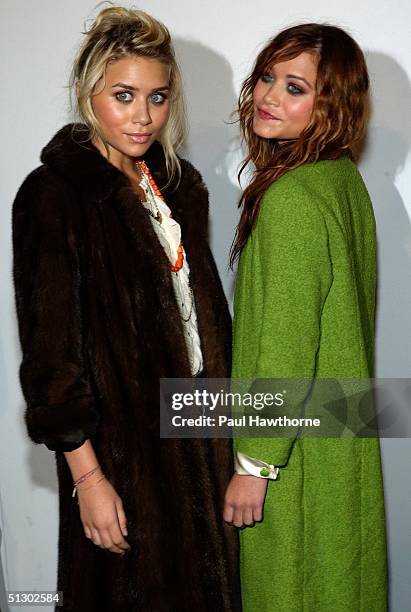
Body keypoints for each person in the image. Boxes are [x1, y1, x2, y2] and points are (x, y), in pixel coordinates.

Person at [12, 7, 240, 611]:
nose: (143, 115)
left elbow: (201, 326)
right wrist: (88, 479)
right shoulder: (54, 195)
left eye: (157, 96)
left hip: (197, 437)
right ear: (90, 94)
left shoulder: (176, 187)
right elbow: (52, 359)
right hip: (121, 455)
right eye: (124, 95)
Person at [223, 23, 387, 612]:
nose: (269, 96)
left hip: (294, 463)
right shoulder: (344, 182)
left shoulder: (294, 197)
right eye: (268, 77)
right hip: (340, 444)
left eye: (294, 87)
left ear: (331, 104)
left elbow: (286, 346)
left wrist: (255, 463)